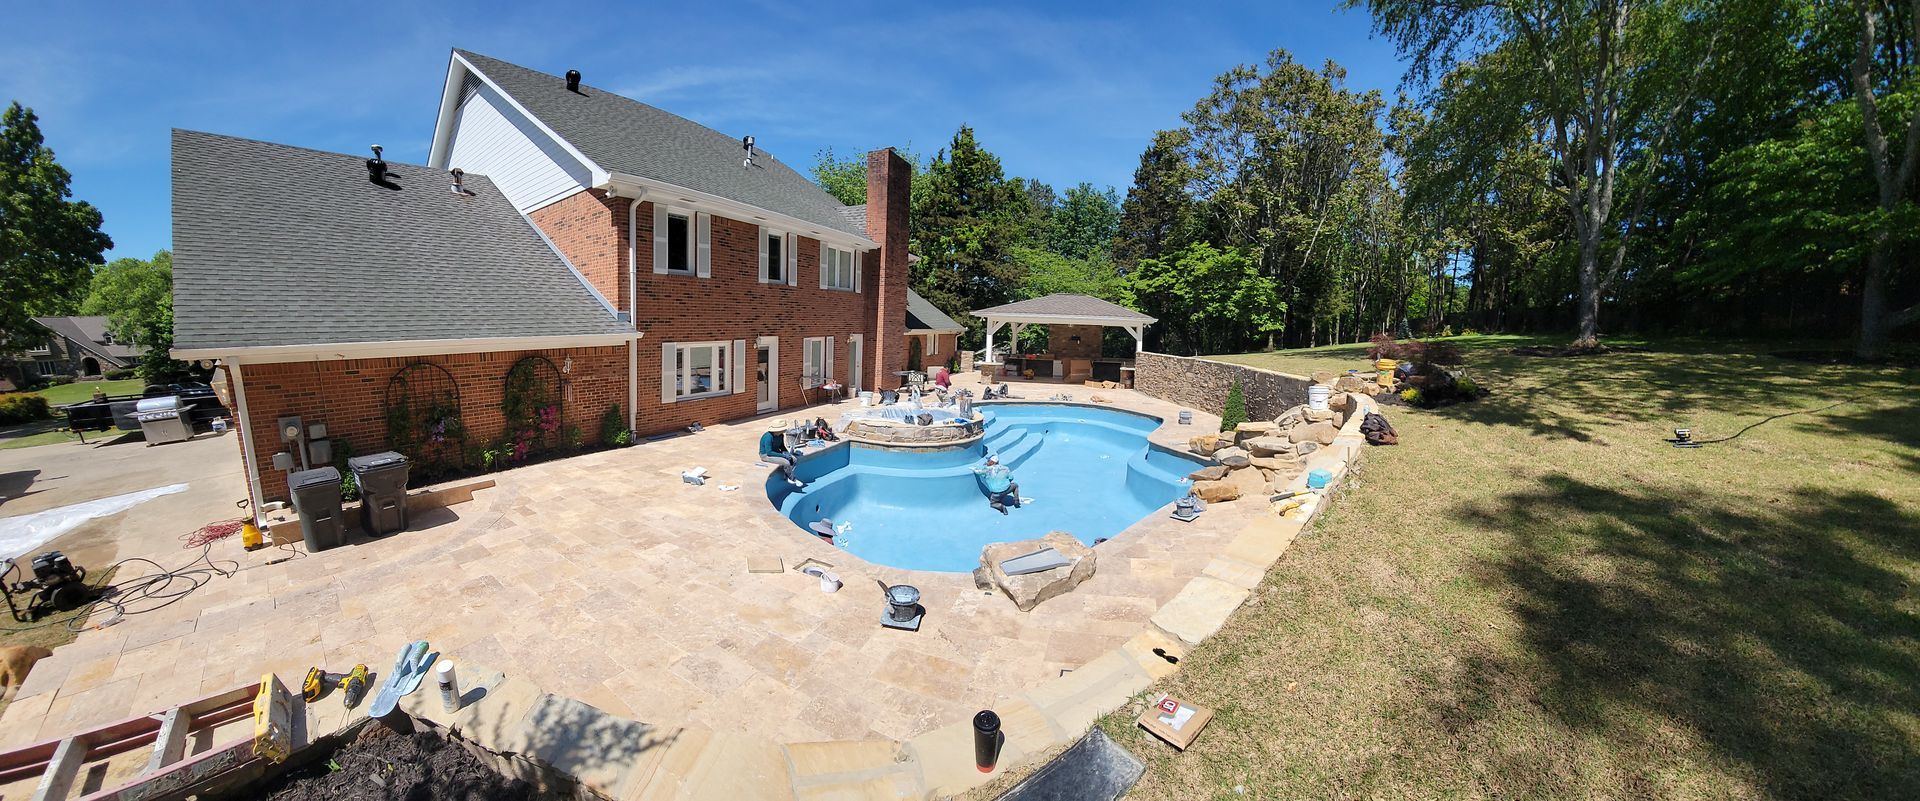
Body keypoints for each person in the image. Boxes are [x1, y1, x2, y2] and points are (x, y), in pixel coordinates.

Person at [759, 420, 802, 487]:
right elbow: (769, 452)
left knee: (794, 459)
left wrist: (787, 454)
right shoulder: (768, 437)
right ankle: (791, 478)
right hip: (766, 455)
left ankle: (787, 474)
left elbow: (782, 446)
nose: (785, 430)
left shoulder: (781, 435)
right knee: (786, 462)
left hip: (776, 452)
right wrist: (783, 456)